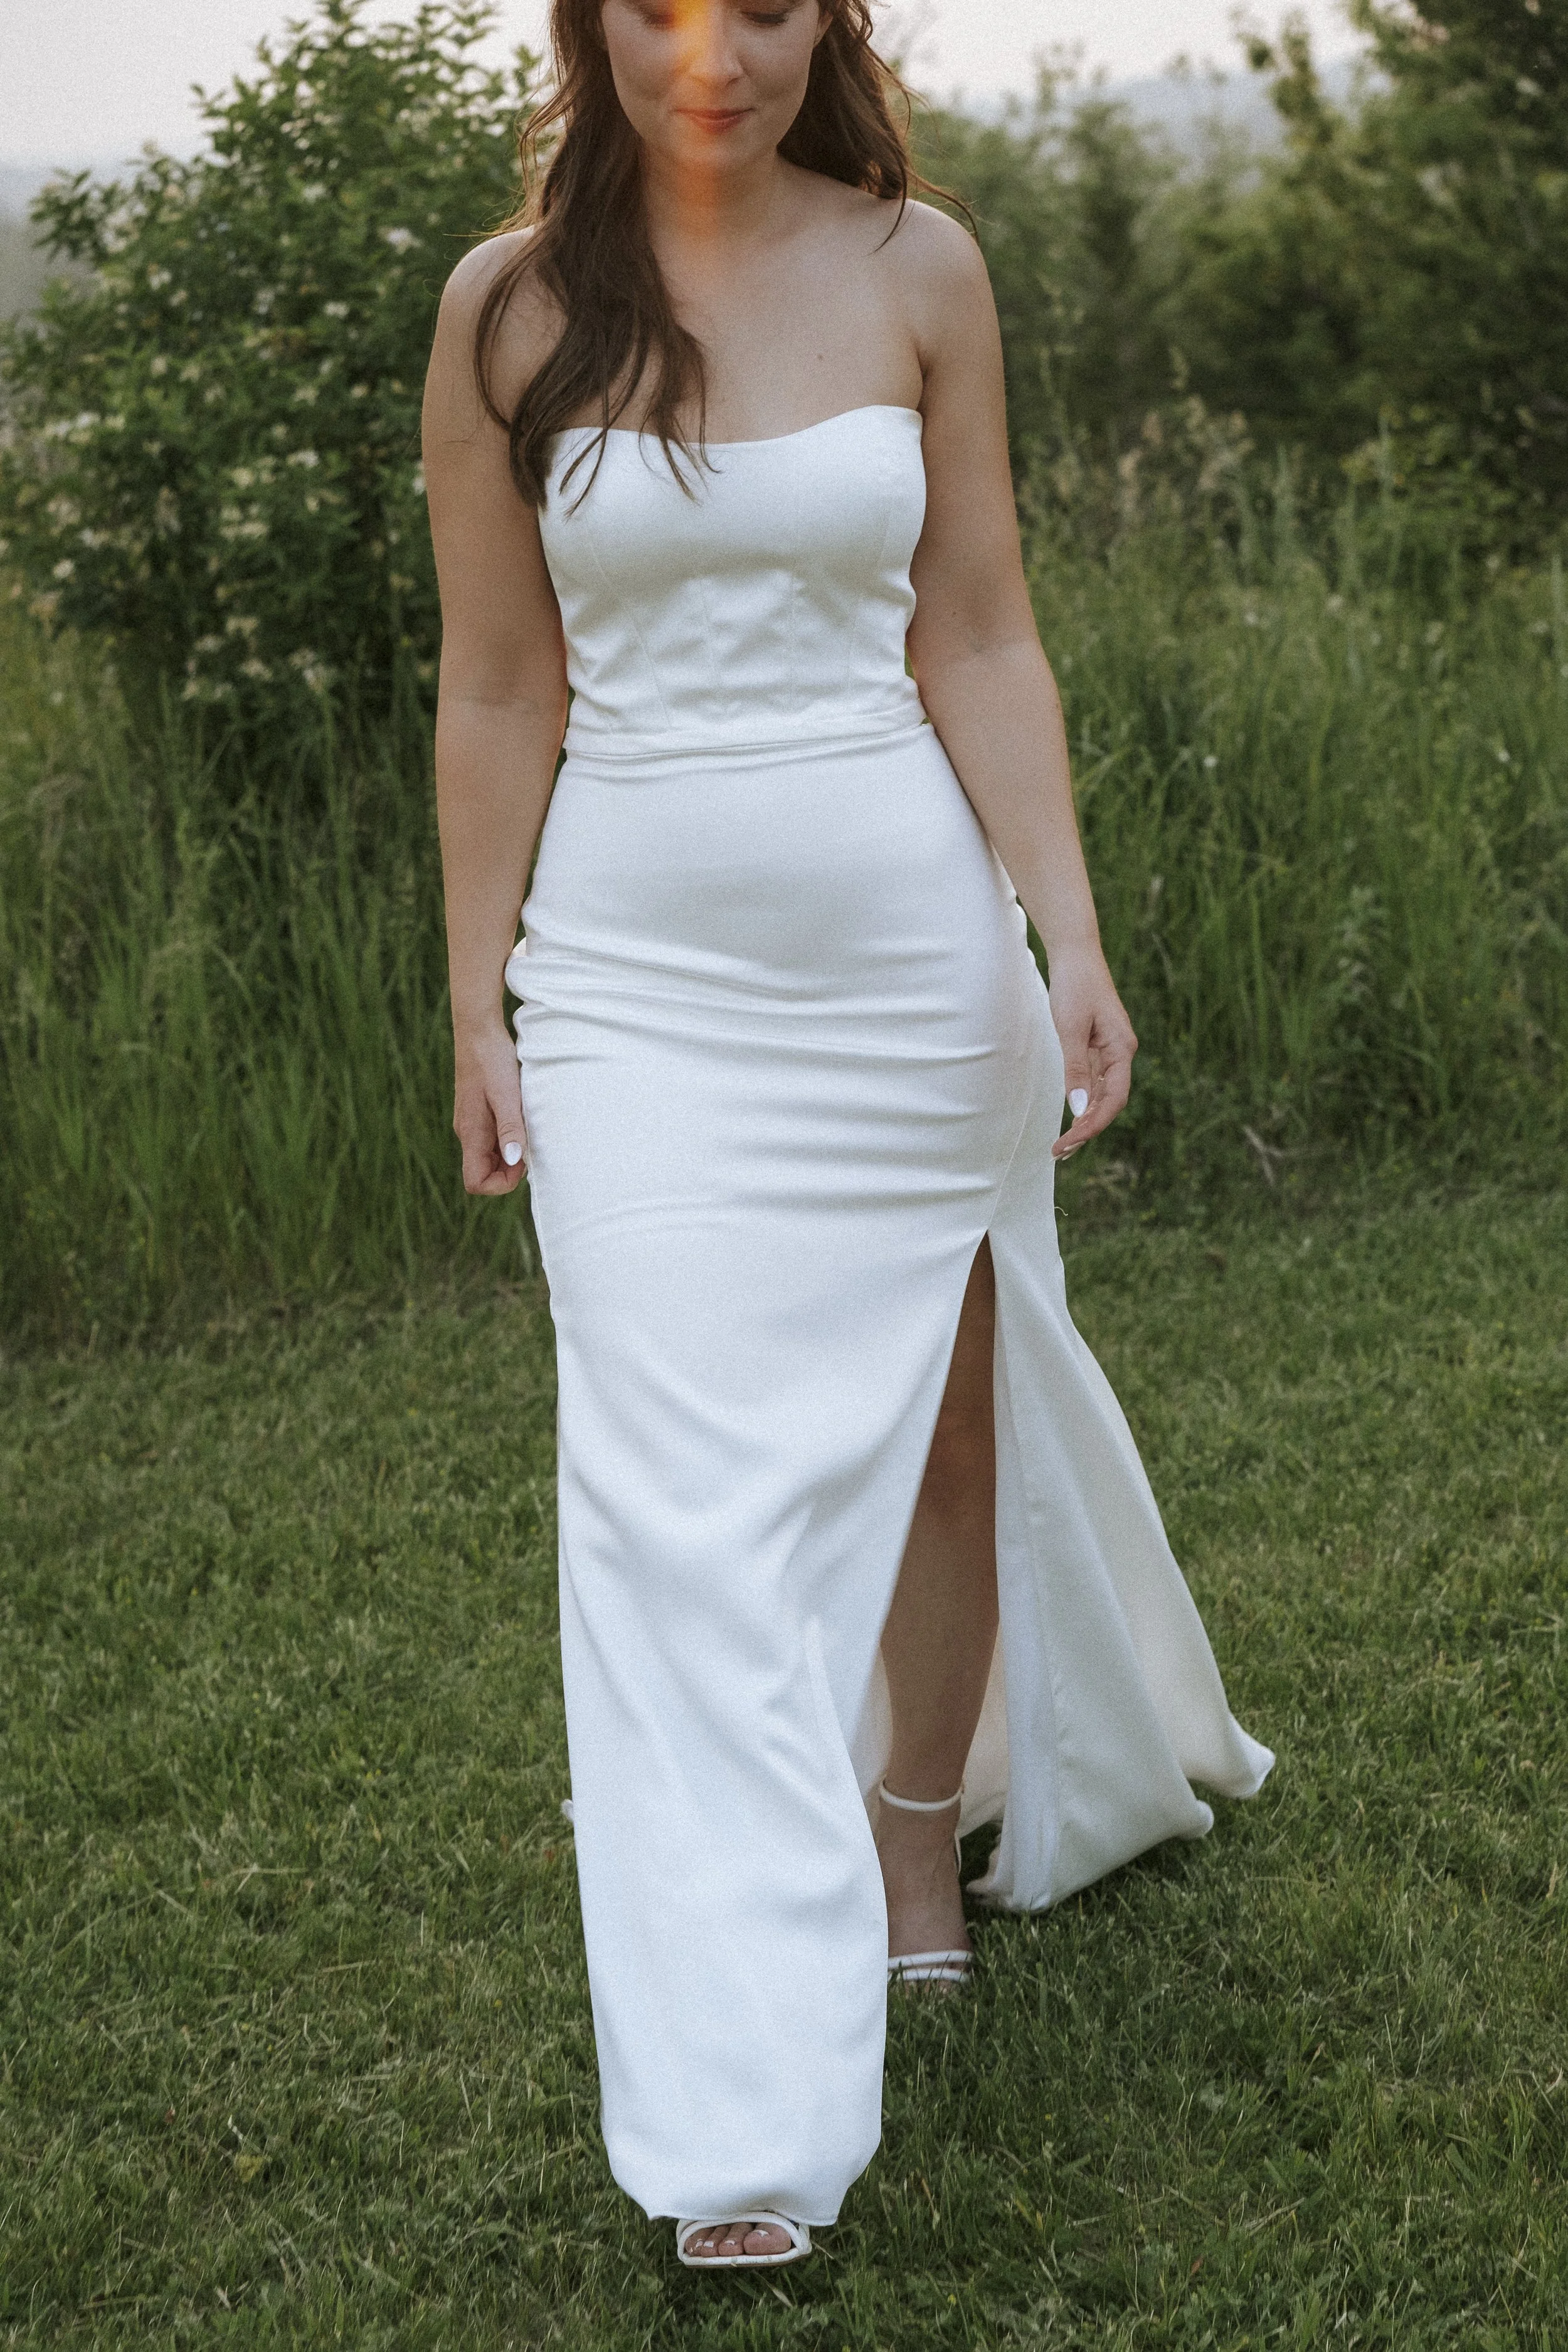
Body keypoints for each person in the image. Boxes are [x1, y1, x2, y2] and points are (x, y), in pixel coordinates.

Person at [421, 0, 1272, 2274]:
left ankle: (917, 1841)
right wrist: (471, 993)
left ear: (832, 23)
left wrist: (1063, 933)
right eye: (664, 10)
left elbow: (978, 631)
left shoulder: (921, 269)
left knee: (939, 1431)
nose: (717, 56)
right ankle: (739, 2124)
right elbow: (499, 680)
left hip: (911, 966)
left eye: (767, 8)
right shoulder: (506, 311)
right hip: (631, 990)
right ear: (594, 25)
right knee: (670, 1507)